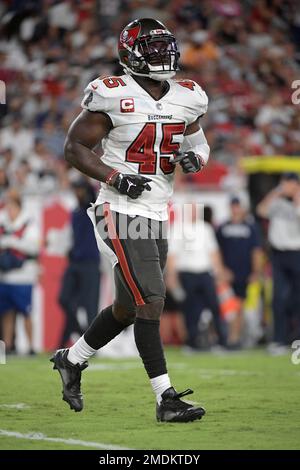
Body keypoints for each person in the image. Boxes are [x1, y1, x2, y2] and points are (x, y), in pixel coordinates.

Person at [50, 18, 210, 423]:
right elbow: (75, 147)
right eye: (152, 48)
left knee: (126, 307)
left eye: (164, 47)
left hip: (157, 210)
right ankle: (166, 398)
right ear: (130, 53)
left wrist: (198, 158)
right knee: (151, 300)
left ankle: (73, 358)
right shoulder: (112, 93)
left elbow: (198, 141)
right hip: (118, 210)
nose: (162, 55)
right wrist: (115, 176)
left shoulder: (188, 96)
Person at [168, 203, 227, 351]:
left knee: (214, 306)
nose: (193, 213)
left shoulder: (205, 228)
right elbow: (172, 255)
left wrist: (219, 272)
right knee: (190, 309)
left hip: (205, 272)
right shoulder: (177, 228)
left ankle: (220, 341)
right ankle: (191, 343)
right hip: (187, 273)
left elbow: (213, 252)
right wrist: (172, 275)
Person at [257, 172, 300, 354]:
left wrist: (297, 196)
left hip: (297, 253)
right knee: (277, 299)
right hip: (278, 255)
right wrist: (277, 192)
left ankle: (295, 339)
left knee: (296, 298)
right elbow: (261, 210)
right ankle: (279, 340)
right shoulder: (277, 201)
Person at [58, 179, 100, 348]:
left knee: (90, 307)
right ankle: (82, 331)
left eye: (80, 189)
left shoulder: (92, 210)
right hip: (75, 262)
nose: (77, 193)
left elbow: (92, 199)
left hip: (91, 263)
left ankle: (90, 346)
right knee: (64, 299)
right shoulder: (74, 212)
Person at [216, 196, 263, 346]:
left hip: (244, 273)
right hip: (227, 274)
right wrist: (222, 269)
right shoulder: (223, 227)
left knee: (240, 306)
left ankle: (234, 338)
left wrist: (256, 272)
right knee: (229, 307)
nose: (235, 209)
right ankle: (232, 337)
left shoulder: (251, 227)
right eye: (233, 206)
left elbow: (256, 251)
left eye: (237, 206)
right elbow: (217, 251)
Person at [0, 189, 40, 354]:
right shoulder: (3, 221)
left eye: (11, 205)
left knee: (26, 312)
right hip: (5, 275)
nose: (9, 209)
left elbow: (33, 247)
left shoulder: (29, 222)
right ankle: (8, 346)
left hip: (24, 276)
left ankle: (31, 347)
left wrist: (11, 242)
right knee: (6, 313)